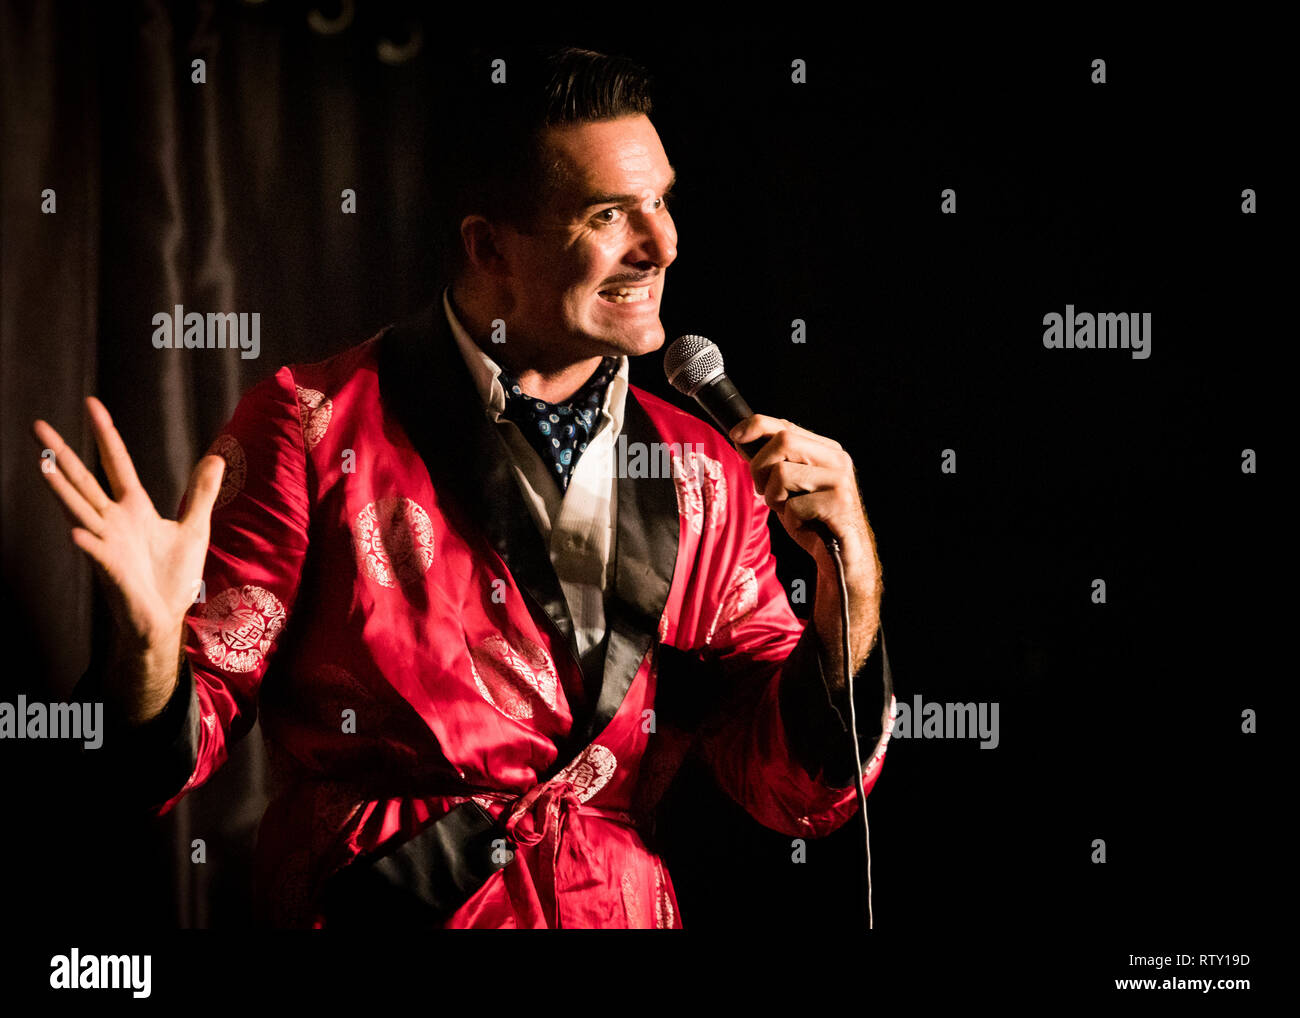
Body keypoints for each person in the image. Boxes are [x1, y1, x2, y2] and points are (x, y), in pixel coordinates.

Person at [32, 46, 892, 929]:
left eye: (662, 200)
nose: (663, 244)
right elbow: (156, 760)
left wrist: (848, 592)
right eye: (610, 214)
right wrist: (147, 650)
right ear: (488, 245)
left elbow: (795, 788)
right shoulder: (311, 426)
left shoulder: (704, 468)